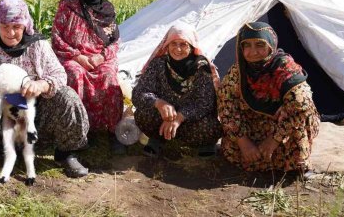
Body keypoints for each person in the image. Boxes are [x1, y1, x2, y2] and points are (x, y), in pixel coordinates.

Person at [0, 0, 90, 178]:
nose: (10, 33)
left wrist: (41, 85)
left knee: (67, 97)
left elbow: (59, 74)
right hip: (2, 114)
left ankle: (66, 153)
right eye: (5, 27)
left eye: (16, 27)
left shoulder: (38, 46)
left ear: (25, 26)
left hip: (35, 114)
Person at [217, 22, 320, 173]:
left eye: (260, 45)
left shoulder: (285, 68)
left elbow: (302, 104)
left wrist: (273, 140)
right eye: (247, 45)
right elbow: (225, 105)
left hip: (283, 127)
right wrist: (243, 142)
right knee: (233, 153)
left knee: (296, 151)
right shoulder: (238, 71)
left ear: (271, 45)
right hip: (254, 124)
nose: (253, 52)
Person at [51, 0, 125, 154]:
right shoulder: (67, 5)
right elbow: (57, 37)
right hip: (73, 56)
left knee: (108, 76)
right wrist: (78, 56)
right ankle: (78, 131)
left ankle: (111, 130)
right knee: (75, 74)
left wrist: (101, 57)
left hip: (100, 58)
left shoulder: (107, 10)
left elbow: (115, 41)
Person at [132, 23, 222, 157]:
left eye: (183, 44)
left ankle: (204, 145)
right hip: (162, 118)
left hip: (191, 121)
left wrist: (180, 117)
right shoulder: (158, 64)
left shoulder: (201, 68)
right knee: (142, 115)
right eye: (173, 43)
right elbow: (139, 93)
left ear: (192, 47)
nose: (177, 49)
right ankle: (158, 140)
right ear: (167, 45)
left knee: (211, 126)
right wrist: (159, 103)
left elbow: (205, 103)